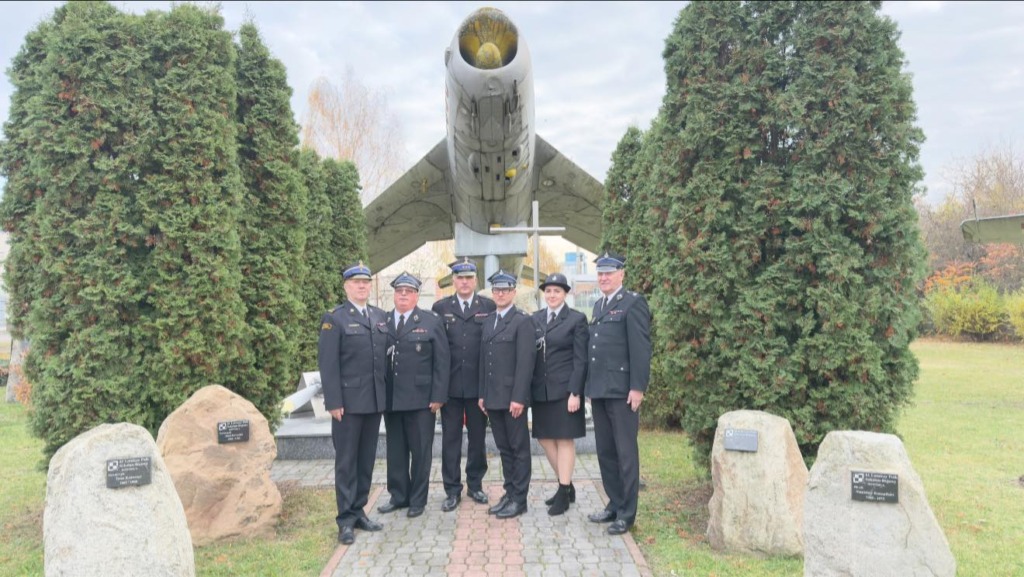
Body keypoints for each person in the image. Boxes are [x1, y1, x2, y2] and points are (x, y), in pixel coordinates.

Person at [318, 261, 389, 545]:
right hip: (347, 404)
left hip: (373, 402)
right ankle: (345, 520)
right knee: (347, 462)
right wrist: (333, 401)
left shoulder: (378, 316)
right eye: (356, 282)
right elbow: (328, 364)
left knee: (366, 460)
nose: (362, 286)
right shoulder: (334, 318)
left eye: (366, 282)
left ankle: (359, 510)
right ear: (346, 286)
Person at [584, 250, 651, 536]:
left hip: (622, 391)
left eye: (609, 273)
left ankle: (627, 513)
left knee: (625, 453)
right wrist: (589, 386)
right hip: (600, 390)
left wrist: (637, 387)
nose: (604, 278)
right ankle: (614, 503)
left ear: (621, 274)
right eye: (600, 273)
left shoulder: (632, 303)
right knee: (606, 451)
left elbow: (641, 349)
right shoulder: (599, 305)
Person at [377, 272, 450, 519]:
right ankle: (399, 496)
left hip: (421, 400)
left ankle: (418, 499)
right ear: (394, 295)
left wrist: (438, 396)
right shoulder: (383, 321)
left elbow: (442, 362)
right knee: (396, 451)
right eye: (399, 291)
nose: (403, 295)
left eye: (408, 292)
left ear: (416, 296)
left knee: (420, 452)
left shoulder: (430, 321)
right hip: (392, 399)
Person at [432, 258, 496, 512]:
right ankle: (452, 489)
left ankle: (475, 484)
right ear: (453, 280)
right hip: (450, 388)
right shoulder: (440, 308)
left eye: (469, 277)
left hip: (478, 387)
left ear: (476, 280)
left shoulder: (488, 306)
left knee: (478, 440)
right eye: (460, 278)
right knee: (451, 440)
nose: (465, 282)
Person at [478, 270, 536, 519]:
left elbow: (526, 363)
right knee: (504, 448)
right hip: (493, 397)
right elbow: (484, 361)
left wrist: (519, 398)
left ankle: (520, 499)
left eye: (505, 290)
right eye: (497, 290)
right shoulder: (489, 320)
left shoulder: (522, 321)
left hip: (512, 398)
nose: (500, 294)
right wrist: (482, 394)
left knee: (518, 448)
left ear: (513, 292)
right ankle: (510, 492)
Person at [530, 272, 589, 516]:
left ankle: (563, 491)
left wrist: (575, 392)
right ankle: (567, 485)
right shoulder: (535, 319)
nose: (552, 295)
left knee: (564, 440)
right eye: (548, 291)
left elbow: (581, 359)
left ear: (565, 294)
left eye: (557, 291)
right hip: (541, 390)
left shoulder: (576, 319)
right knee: (544, 439)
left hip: (565, 391)